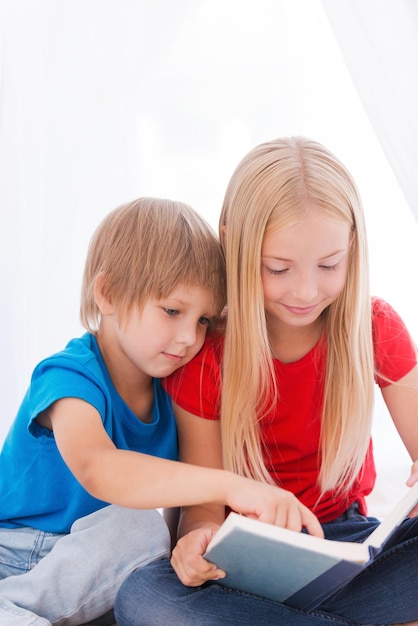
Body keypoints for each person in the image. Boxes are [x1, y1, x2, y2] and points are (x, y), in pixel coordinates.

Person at [114, 139, 418, 626]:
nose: (305, 291)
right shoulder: (208, 353)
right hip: (245, 560)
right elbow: (204, 509)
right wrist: (195, 543)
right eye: (278, 268)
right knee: (144, 599)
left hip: (346, 543)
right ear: (234, 245)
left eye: (329, 265)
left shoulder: (375, 328)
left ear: (352, 248)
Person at [0, 197, 323, 626]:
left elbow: (178, 504)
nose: (189, 337)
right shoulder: (68, 377)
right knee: (139, 529)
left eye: (204, 320)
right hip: (22, 553)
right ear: (108, 292)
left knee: (158, 562)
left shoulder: (178, 385)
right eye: (172, 311)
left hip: (94, 565)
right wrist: (231, 486)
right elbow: (99, 468)